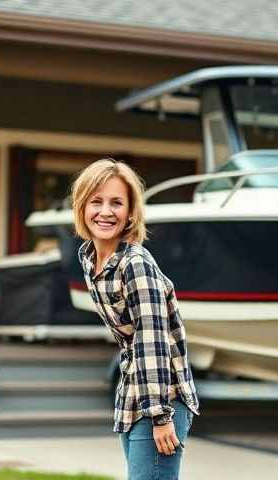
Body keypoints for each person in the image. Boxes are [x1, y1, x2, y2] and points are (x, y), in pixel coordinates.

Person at [70, 158, 200, 480]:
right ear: (82, 207)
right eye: (96, 202)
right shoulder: (90, 258)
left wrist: (159, 415)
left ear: (130, 212)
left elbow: (152, 340)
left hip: (161, 399)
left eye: (117, 203)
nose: (105, 211)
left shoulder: (135, 263)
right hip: (133, 393)